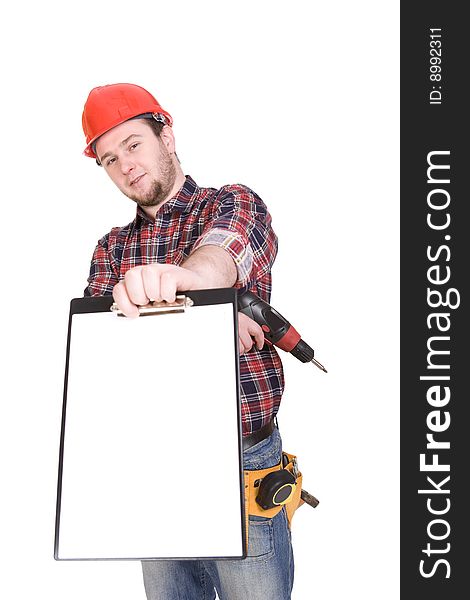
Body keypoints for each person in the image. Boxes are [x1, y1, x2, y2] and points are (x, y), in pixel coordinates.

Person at [82, 83, 294, 599]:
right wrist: (208, 320)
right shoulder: (111, 251)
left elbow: (223, 251)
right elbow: (103, 361)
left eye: (133, 144)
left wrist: (191, 284)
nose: (124, 166)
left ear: (166, 135)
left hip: (244, 461)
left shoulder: (233, 203)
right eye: (109, 159)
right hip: (155, 465)